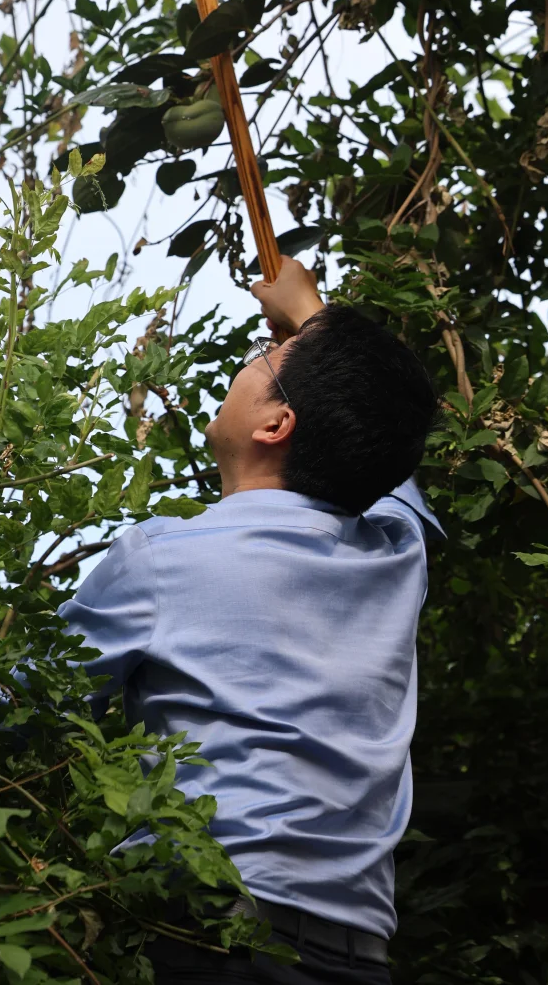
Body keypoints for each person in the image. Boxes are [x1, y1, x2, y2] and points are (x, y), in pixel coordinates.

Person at [58, 256, 443, 984]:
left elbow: (22, 707)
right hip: (355, 957)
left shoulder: (162, 558)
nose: (253, 355)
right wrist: (311, 317)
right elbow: (390, 463)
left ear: (276, 423)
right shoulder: (396, 557)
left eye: (264, 358)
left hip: (206, 938)